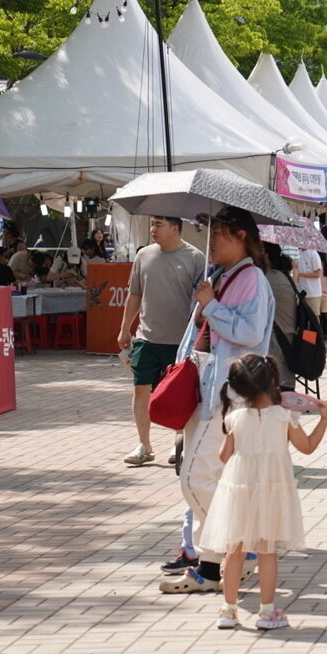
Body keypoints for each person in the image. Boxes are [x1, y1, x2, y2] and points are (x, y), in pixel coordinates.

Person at [160, 205, 276, 595]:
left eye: (218, 233)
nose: (209, 241)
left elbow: (249, 330)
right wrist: (205, 304)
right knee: (210, 478)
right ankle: (211, 569)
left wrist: (210, 304)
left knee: (193, 479)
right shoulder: (220, 275)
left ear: (241, 236)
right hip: (204, 388)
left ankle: (236, 550)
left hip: (225, 393)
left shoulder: (252, 279)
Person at [202, 354, 327, 631]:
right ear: (273, 381)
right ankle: (267, 613)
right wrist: (323, 419)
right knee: (266, 552)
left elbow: (224, 456)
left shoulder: (234, 418)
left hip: (239, 491)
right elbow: (307, 447)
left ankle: (228, 610)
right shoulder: (284, 416)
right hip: (272, 492)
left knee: (234, 551)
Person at [117, 216, 207, 468]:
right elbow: (134, 294)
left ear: (175, 228)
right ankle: (144, 445)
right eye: (152, 224)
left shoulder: (195, 257)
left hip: (181, 341)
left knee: (178, 394)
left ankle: (178, 441)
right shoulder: (143, 256)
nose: (152, 229)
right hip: (147, 337)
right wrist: (125, 329)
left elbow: (201, 299)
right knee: (140, 389)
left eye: (158, 224)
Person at [262, 243, 299, 391]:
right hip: (286, 335)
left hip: (278, 339)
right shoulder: (281, 276)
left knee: (280, 387)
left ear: (266, 257)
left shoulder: (270, 278)